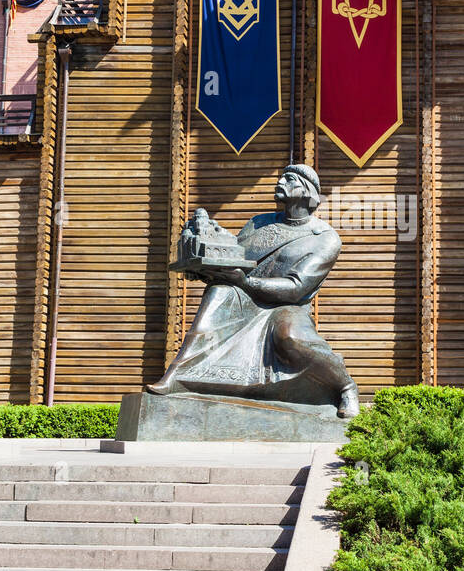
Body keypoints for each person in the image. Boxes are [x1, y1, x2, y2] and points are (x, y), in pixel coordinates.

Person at [148, 163, 360, 418]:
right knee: (218, 292)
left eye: (289, 179)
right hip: (245, 296)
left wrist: (245, 282)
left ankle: (345, 385)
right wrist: (206, 254)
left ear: (307, 191)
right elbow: (234, 258)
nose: (280, 181)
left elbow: (296, 288)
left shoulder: (324, 238)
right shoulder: (258, 223)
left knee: (291, 337)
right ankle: (177, 376)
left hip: (286, 306)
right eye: (281, 176)